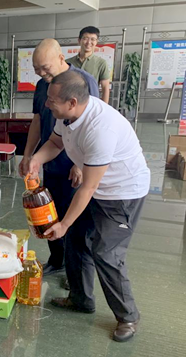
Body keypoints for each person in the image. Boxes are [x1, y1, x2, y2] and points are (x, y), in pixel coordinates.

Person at [28, 71, 150, 342]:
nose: (46, 104)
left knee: (107, 253)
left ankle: (128, 317)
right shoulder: (68, 116)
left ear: (72, 102)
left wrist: (63, 223)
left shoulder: (101, 128)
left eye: (52, 100)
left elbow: (87, 188)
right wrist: (36, 159)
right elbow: (55, 142)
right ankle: (81, 299)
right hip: (98, 187)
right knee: (77, 240)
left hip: (122, 193)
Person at [19, 39, 99, 277]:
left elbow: (92, 126)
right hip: (50, 158)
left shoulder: (83, 81)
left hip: (74, 164)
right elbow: (37, 121)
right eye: (37, 69)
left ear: (61, 58)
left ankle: (75, 273)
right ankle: (57, 260)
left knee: (74, 219)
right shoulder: (42, 86)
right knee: (47, 213)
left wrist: (79, 165)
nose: (41, 74)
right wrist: (29, 155)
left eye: (45, 68)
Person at [66, 26, 110, 104]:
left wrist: (104, 107)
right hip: (70, 103)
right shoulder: (68, 63)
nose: (89, 42)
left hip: (91, 104)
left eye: (93, 39)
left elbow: (105, 88)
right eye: (85, 38)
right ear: (79, 40)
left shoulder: (101, 63)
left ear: (96, 42)